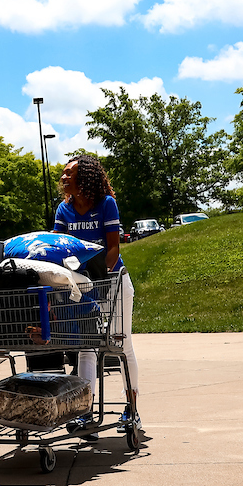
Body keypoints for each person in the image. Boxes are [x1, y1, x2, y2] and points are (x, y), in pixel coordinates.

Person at [52, 154, 142, 435]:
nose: (64, 177)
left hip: (113, 282)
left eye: (70, 173)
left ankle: (132, 409)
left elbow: (113, 248)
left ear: (86, 178)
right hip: (83, 288)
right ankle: (84, 411)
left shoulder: (106, 204)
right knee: (86, 347)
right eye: (64, 173)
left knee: (121, 344)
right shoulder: (64, 210)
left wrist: (100, 279)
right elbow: (58, 249)